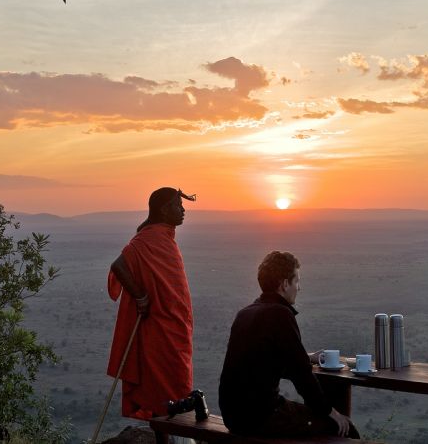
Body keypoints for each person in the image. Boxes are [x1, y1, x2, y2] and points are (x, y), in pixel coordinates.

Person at [218, 251, 360, 438]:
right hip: (261, 417)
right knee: (345, 429)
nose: (299, 288)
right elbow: (302, 377)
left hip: (233, 416)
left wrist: (307, 357)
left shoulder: (245, 313)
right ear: (285, 284)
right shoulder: (280, 315)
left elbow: (262, 361)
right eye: (297, 281)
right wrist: (331, 412)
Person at [106, 187, 197, 420]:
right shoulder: (147, 239)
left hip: (173, 324)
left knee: (174, 385)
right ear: (165, 210)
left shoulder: (163, 236)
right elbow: (119, 265)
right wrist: (140, 296)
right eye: (178, 205)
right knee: (168, 388)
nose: (183, 210)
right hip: (158, 327)